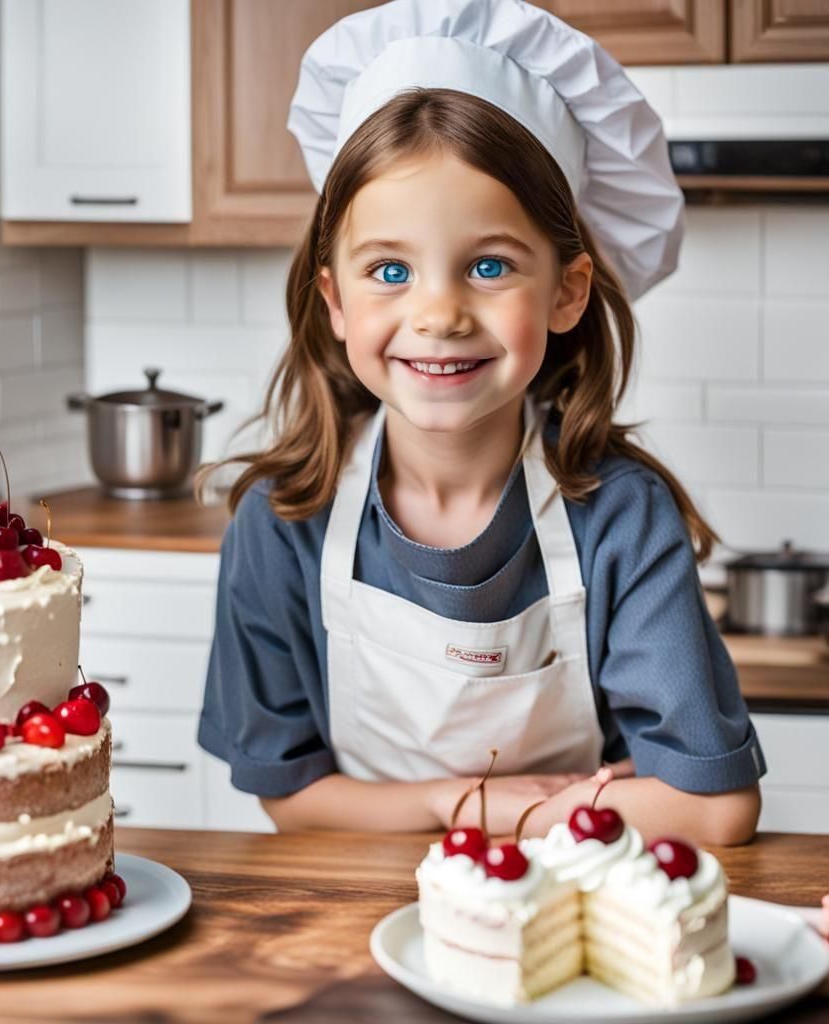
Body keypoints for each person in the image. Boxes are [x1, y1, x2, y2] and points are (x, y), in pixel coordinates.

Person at [196, 0, 764, 844]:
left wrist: (466, 817)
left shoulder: (620, 517)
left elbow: (714, 808)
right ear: (335, 300)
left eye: (489, 265)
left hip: (569, 921)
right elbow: (290, 794)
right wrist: (466, 805)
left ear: (567, 291)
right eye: (390, 268)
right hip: (349, 927)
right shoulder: (281, 524)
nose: (439, 314)